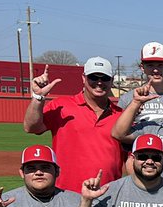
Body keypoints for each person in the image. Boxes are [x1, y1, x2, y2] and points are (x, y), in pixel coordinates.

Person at [23, 57, 124, 193]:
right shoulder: (62, 105)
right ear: (83, 78)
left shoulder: (121, 115)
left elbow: (130, 158)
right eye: (93, 77)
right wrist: (38, 97)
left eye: (104, 78)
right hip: (66, 195)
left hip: (109, 195)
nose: (99, 82)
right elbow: (31, 127)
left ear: (111, 80)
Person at [117, 42, 163, 130]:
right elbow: (117, 131)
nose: (155, 70)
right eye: (150, 65)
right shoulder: (128, 98)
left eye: (160, 65)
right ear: (142, 67)